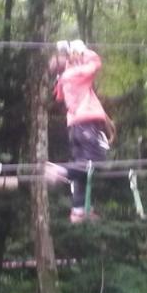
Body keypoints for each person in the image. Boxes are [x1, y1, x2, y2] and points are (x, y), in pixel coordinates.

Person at [49, 40, 113, 222]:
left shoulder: (63, 79)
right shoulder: (76, 74)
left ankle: (79, 210)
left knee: (83, 170)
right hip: (87, 124)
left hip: (76, 128)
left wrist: (68, 57)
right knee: (95, 163)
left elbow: (59, 94)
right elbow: (95, 63)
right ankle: (61, 170)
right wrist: (82, 50)